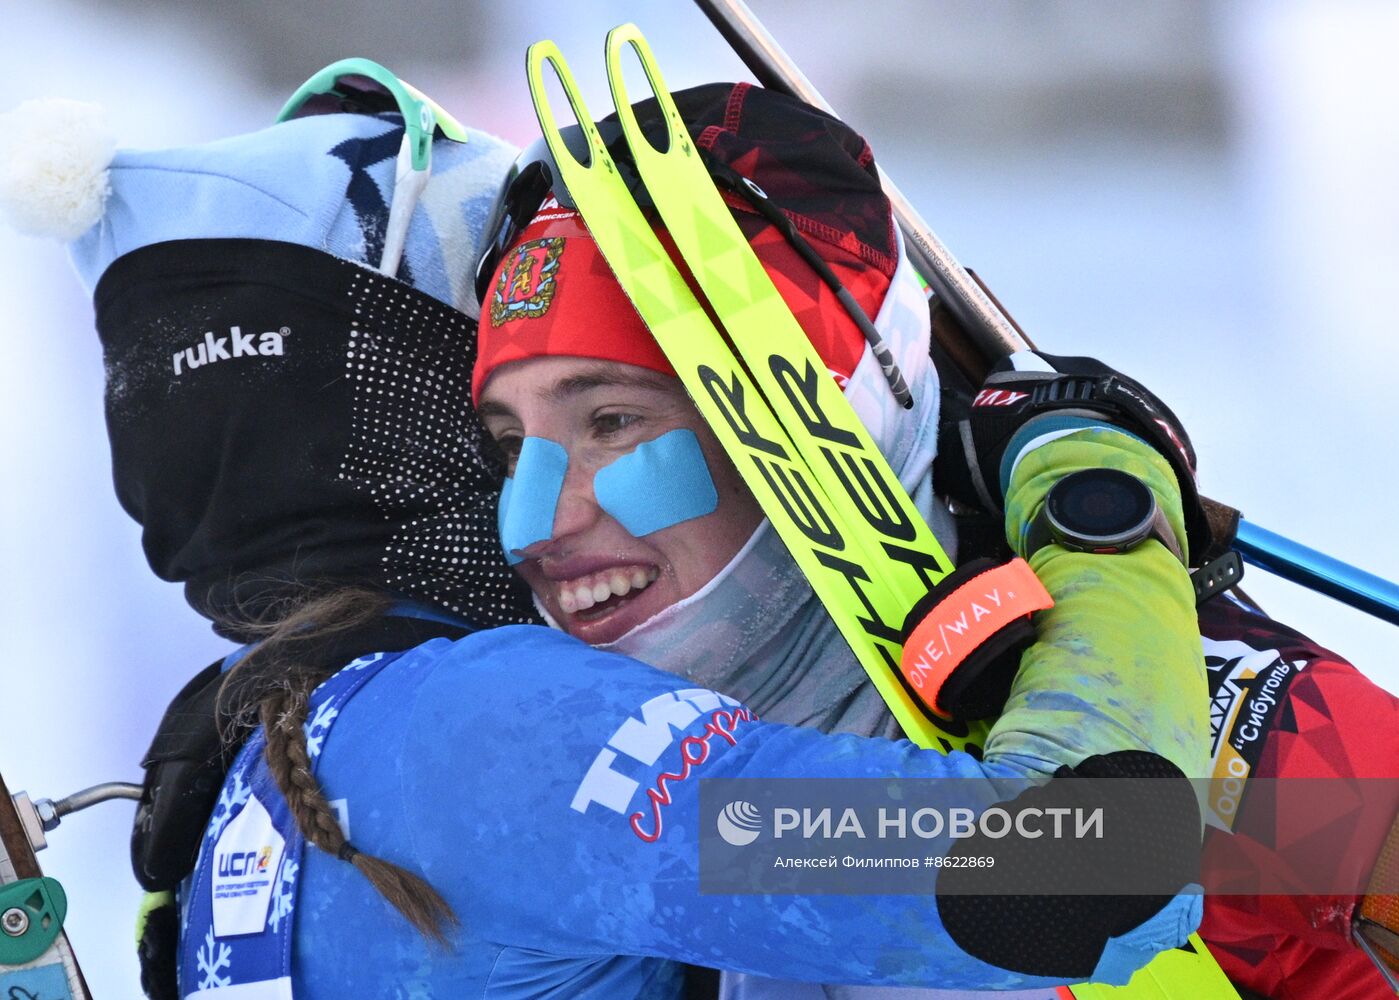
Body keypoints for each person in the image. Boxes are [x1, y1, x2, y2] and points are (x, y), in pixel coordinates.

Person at [3, 75, 1206, 997]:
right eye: (504, 420)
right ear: (404, 404)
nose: (541, 503)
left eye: (608, 412)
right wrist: (1096, 501)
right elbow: (1081, 865)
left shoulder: (271, 760)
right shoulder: (500, 737)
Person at [468, 83, 1399, 1000]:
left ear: (837, 415)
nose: (534, 523)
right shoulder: (562, 777)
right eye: (512, 446)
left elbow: (1052, 866)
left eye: (614, 421)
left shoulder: (1239, 732)